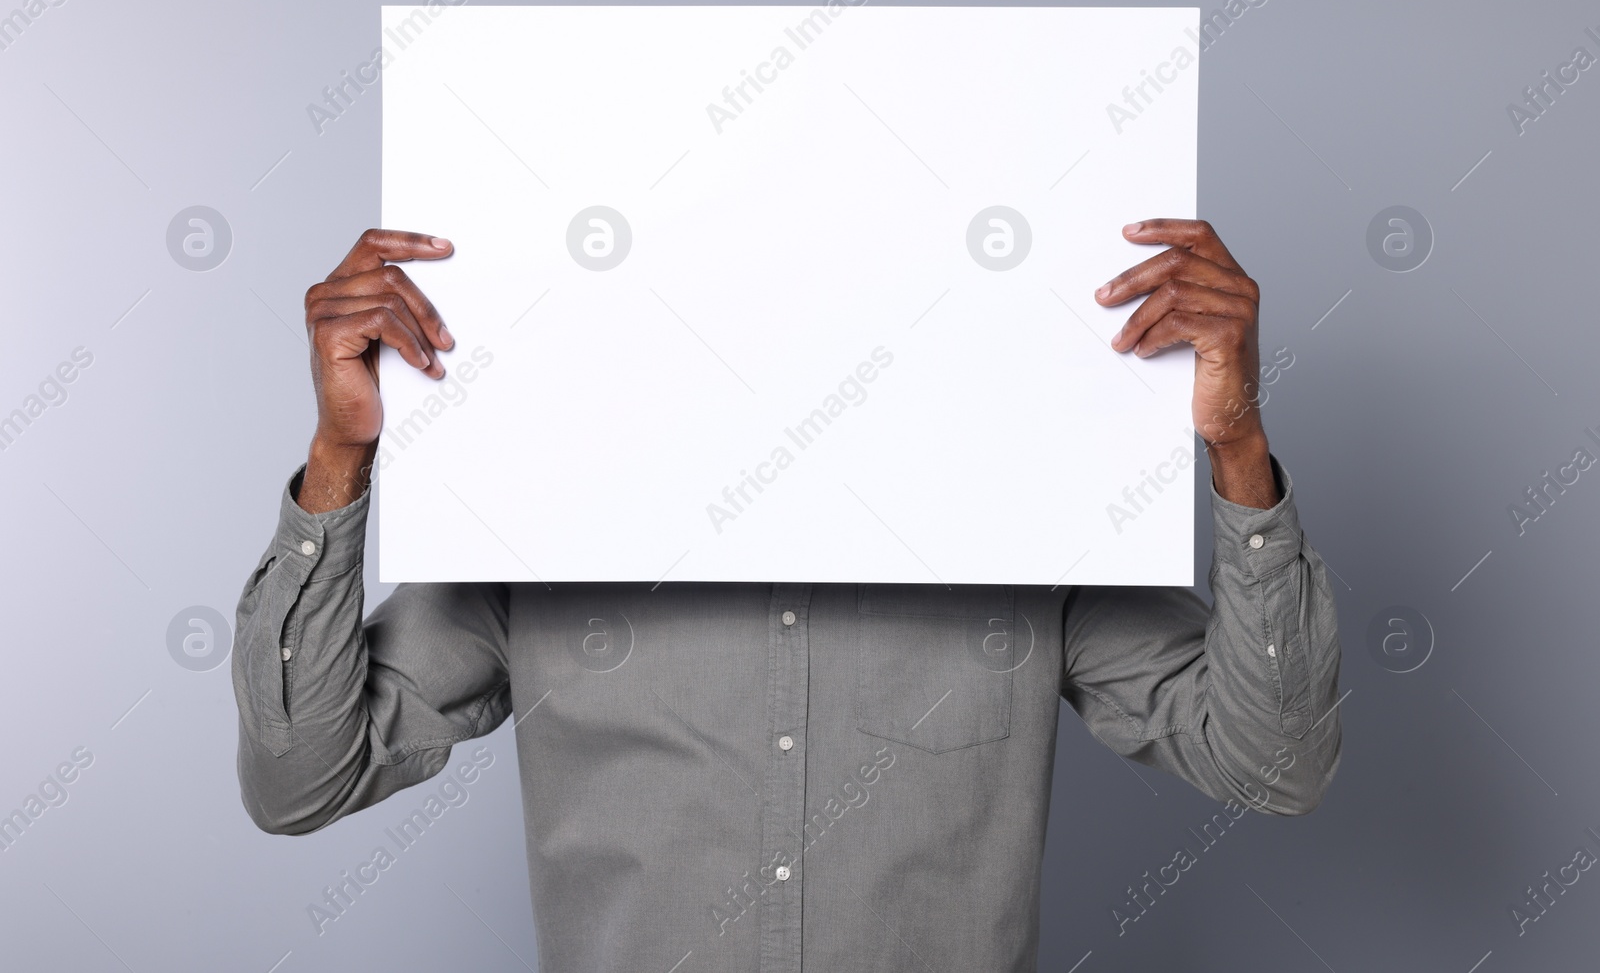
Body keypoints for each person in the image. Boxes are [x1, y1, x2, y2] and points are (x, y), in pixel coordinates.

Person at [233, 220, 1341, 972]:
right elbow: (300, 777)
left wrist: (1236, 442)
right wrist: (341, 456)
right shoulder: (535, 540)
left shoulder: (1029, 533)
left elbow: (1272, 759)